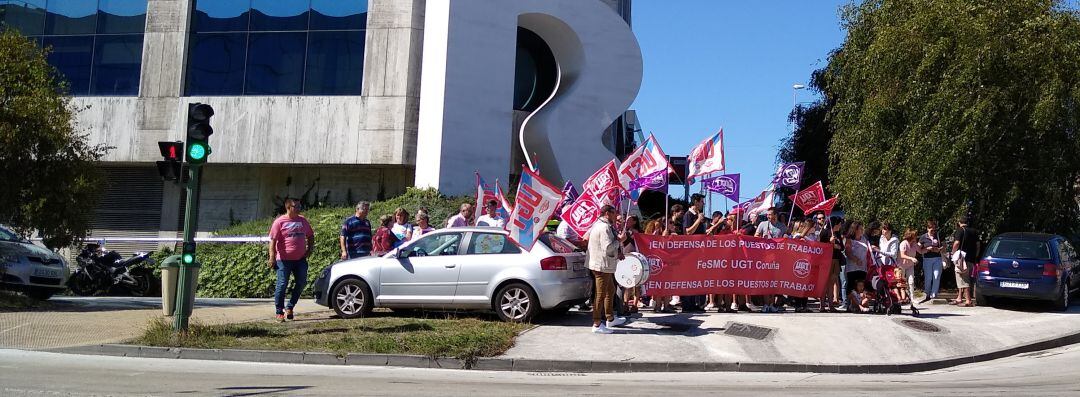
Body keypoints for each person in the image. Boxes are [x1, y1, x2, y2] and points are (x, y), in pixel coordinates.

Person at [268, 198, 314, 322]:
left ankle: (290, 307)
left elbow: (310, 235)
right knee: (282, 284)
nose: (299, 209)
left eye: (300, 206)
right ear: (288, 207)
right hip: (283, 260)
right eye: (296, 206)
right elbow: (273, 241)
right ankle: (279, 312)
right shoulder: (279, 222)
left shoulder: (303, 220)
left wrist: (309, 249)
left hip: (300, 259)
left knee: (302, 283)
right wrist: (272, 257)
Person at [588, 205, 626, 334]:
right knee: (601, 294)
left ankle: (610, 318)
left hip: (605, 265)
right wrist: (620, 241)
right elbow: (608, 247)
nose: (616, 216)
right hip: (601, 266)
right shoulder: (604, 228)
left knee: (611, 290)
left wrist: (618, 253)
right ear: (607, 214)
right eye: (614, 213)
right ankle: (597, 324)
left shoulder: (603, 226)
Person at [755, 207, 787, 313]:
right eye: (767, 215)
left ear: (775, 215)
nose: (768, 216)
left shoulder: (782, 227)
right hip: (764, 257)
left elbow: (785, 239)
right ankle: (765, 304)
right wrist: (761, 238)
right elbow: (755, 236)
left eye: (770, 214)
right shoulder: (762, 224)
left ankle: (771, 304)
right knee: (765, 281)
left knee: (773, 282)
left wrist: (786, 237)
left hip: (777, 258)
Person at [682, 194, 708, 313]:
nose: (703, 204)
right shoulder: (688, 215)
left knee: (696, 278)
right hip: (690, 252)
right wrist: (698, 220)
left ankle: (696, 303)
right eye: (702, 201)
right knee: (689, 277)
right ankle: (687, 304)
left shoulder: (699, 215)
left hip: (699, 251)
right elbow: (688, 231)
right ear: (696, 202)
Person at [951, 216, 980, 307]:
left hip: (961, 259)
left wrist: (953, 252)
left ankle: (968, 300)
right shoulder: (974, 231)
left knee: (963, 278)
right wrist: (976, 255)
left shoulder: (960, 230)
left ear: (959, 222)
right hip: (971, 258)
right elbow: (978, 245)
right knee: (963, 278)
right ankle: (959, 297)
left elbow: (957, 243)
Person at [844, 221, 872, 307]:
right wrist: (855, 260)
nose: (862, 230)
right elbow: (847, 252)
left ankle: (860, 305)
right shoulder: (849, 240)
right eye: (860, 228)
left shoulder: (864, 239)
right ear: (855, 230)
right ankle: (851, 305)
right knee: (852, 287)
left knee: (861, 288)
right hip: (852, 268)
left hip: (863, 268)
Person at [917, 220, 945, 303]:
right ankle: (927, 293)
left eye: (934, 230)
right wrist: (925, 250)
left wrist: (938, 249)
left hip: (937, 258)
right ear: (927, 229)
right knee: (928, 277)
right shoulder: (923, 237)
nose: (933, 231)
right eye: (931, 230)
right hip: (927, 259)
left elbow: (944, 246)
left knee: (936, 276)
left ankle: (934, 294)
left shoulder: (938, 236)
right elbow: (918, 249)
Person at [821, 220, 844, 313]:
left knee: (832, 283)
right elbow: (820, 245)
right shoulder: (825, 232)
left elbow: (842, 247)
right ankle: (822, 305)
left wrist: (837, 246)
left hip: (836, 260)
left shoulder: (838, 233)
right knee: (824, 284)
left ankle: (831, 305)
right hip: (827, 260)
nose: (840, 226)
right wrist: (830, 243)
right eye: (839, 224)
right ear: (835, 224)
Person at [899, 228, 920, 305]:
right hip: (902, 265)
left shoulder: (914, 244)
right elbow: (902, 255)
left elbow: (920, 251)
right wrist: (911, 258)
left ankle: (912, 298)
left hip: (910, 265)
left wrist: (928, 249)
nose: (916, 237)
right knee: (901, 282)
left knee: (911, 281)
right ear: (911, 236)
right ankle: (901, 297)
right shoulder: (903, 243)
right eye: (915, 236)